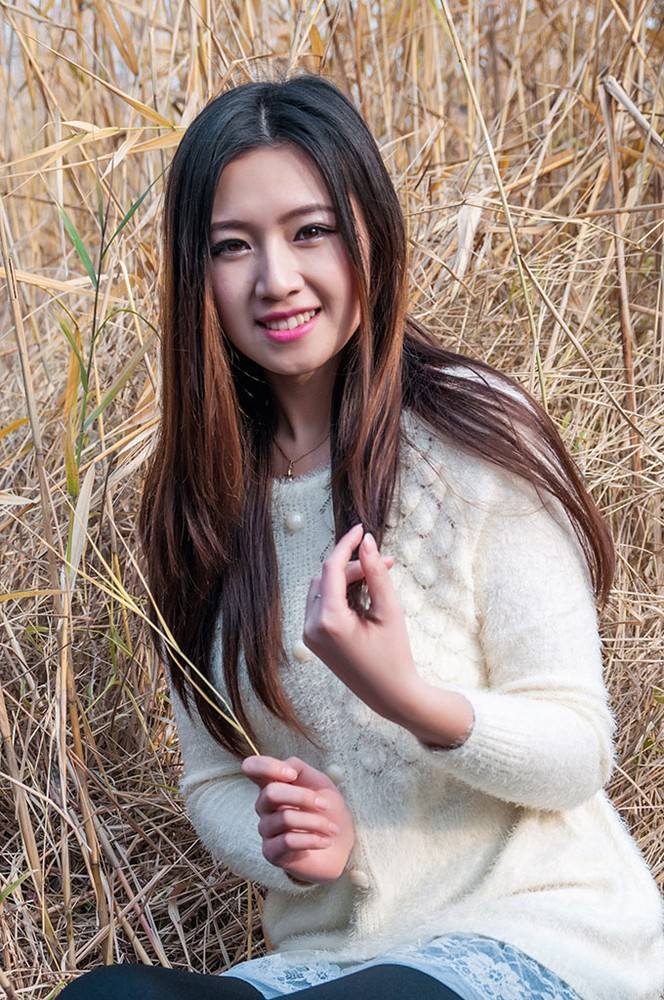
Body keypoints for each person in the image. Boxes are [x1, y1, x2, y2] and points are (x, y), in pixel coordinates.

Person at [60, 74, 664, 1000]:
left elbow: (579, 749)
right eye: (233, 246)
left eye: (311, 231)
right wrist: (296, 848)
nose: (276, 278)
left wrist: (409, 697)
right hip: (328, 961)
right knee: (110, 997)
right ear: (196, 275)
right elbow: (213, 779)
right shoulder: (198, 497)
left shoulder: (473, 437)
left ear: (369, 232)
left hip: (534, 935)